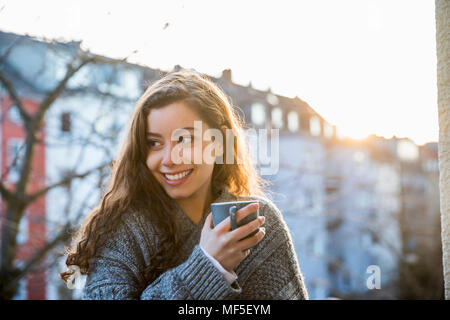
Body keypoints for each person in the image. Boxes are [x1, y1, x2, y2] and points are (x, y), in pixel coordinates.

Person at [60, 68, 309, 300]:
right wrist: (209, 266)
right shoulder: (119, 231)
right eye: (154, 143)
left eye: (185, 140)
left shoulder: (258, 223)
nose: (169, 159)